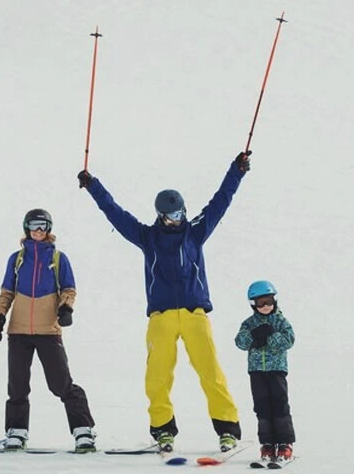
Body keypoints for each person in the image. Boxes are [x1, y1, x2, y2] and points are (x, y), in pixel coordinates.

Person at [77, 151, 252, 453]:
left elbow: (221, 200)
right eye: (172, 216)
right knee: (157, 376)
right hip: (161, 317)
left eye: (181, 213)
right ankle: (163, 430)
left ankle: (228, 429)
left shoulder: (196, 232)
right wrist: (94, 186)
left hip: (195, 314)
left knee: (210, 372)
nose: (177, 220)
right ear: (161, 215)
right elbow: (115, 213)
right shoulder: (147, 237)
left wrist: (236, 171)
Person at [0, 208, 97, 452]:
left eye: (43, 226)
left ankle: (83, 430)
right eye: (34, 225)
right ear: (26, 227)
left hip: (48, 330)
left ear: (48, 229)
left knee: (60, 383)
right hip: (18, 331)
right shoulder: (16, 259)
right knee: (17, 384)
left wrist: (66, 309)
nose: (38, 230)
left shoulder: (58, 258)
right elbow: (7, 291)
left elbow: (69, 289)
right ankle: (16, 432)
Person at [234, 280, 296, 466]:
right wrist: (254, 335)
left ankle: (285, 443)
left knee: (279, 405)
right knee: (262, 407)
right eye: (261, 303)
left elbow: (289, 341)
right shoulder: (249, 323)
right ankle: (267, 444)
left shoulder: (280, 321)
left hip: (276, 371)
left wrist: (270, 335)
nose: (266, 306)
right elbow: (240, 343)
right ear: (253, 304)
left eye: (269, 301)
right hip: (256, 372)